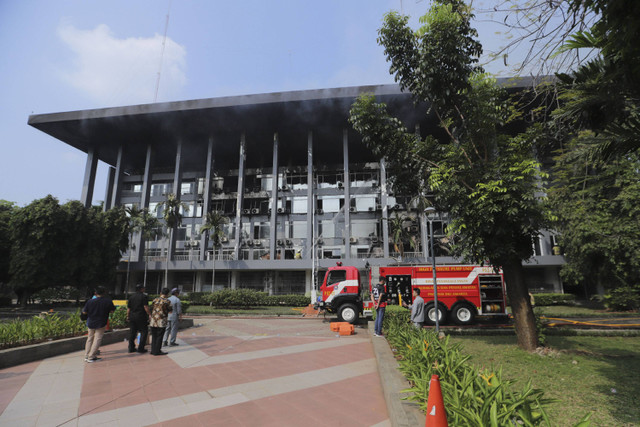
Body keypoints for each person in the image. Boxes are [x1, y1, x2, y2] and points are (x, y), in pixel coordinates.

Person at [82, 286, 115, 363]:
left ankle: (86, 355)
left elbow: (84, 312)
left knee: (90, 338)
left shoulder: (90, 301)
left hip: (90, 322)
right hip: (101, 322)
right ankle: (91, 357)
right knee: (97, 339)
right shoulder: (108, 301)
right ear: (104, 293)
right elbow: (112, 311)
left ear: (95, 293)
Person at [127, 284, 151, 353]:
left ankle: (131, 348)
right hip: (141, 317)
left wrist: (128, 316)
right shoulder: (144, 297)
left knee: (132, 332)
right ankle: (141, 348)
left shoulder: (131, 297)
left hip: (132, 317)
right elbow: (145, 307)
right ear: (141, 289)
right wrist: (149, 314)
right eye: (144, 288)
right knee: (144, 332)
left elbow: (129, 308)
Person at [149, 287, 172, 356]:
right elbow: (170, 310)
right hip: (161, 321)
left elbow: (151, 308)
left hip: (153, 321)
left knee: (154, 336)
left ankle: (153, 350)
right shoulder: (167, 301)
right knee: (159, 336)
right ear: (167, 294)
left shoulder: (155, 300)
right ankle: (157, 351)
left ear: (160, 293)